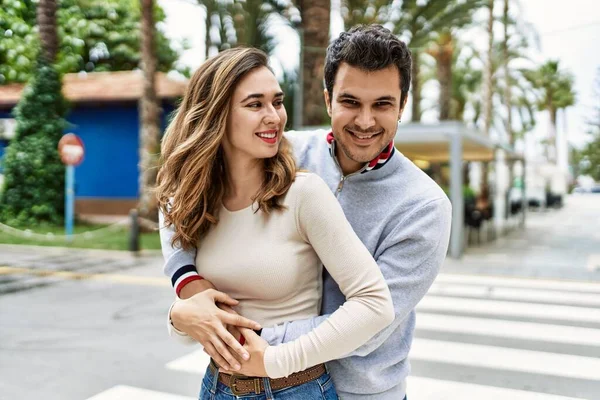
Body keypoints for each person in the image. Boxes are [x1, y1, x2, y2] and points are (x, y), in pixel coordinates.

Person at [164, 25, 452, 399]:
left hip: (358, 390)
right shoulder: (283, 152)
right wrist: (187, 287)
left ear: (403, 104)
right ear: (329, 100)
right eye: (350, 102)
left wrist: (237, 331)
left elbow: (372, 327)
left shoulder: (424, 206)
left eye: (382, 104)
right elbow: (183, 191)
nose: (365, 121)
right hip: (250, 378)